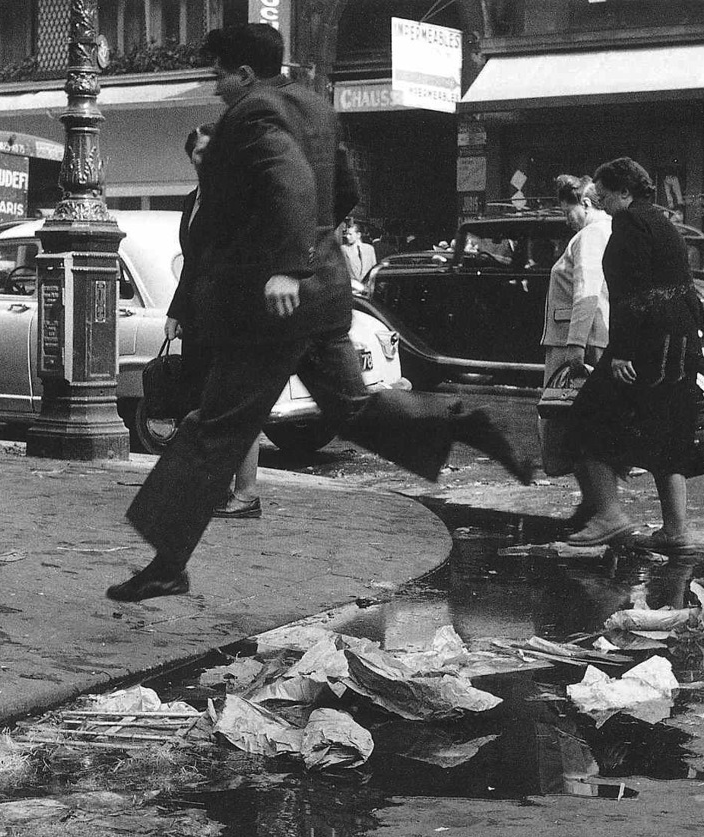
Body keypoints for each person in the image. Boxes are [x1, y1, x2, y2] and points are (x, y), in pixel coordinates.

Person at [108, 23, 531, 603]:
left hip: (272, 306)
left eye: (219, 76)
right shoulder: (312, 106)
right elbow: (345, 187)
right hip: (323, 295)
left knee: (215, 427)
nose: (215, 88)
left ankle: (166, 564)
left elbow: (288, 181)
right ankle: (466, 423)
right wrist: (314, 250)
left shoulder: (253, 115)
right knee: (353, 410)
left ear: (245, 73)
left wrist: (285, 265)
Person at [564, 157, 704, 554]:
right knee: (667, 429)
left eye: (606, 195)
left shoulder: (629, 223)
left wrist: (622, 351)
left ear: (625, 192)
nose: (603, 203)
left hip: (645, 345)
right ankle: (677, 529)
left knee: (586, 417)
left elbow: (633, 291)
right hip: (677, 343)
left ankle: (609, 515)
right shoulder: (662, 222)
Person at [166, 123, 262, 518]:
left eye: (212, 152)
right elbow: (191, 262)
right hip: (201, 316)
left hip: (233, 314)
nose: (205, 160)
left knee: (236, 403)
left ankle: (247, 492)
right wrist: (176, 310)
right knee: (206, 402)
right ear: (191, 158)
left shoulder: (235, 198)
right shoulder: (192, 200)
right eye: (199, 153)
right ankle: (214, 487)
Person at [538, 174, 611, 529]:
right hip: (587, 336)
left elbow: (587, 290)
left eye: (567, 209)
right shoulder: (603, 231)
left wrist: (575, 345)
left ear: (584, 203)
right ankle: (593, 504)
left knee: (570, 423)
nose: (565, 217)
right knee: (579, 423)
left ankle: (602, 510)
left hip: (578, 339)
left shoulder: (591, 235)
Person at [341, 217, 376, 285]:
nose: (347, 237)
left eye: (350, 234)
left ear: (358, 235)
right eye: (346, 234)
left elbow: (374, 269)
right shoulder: (344, 249)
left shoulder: (369, 249)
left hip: (367, 287)